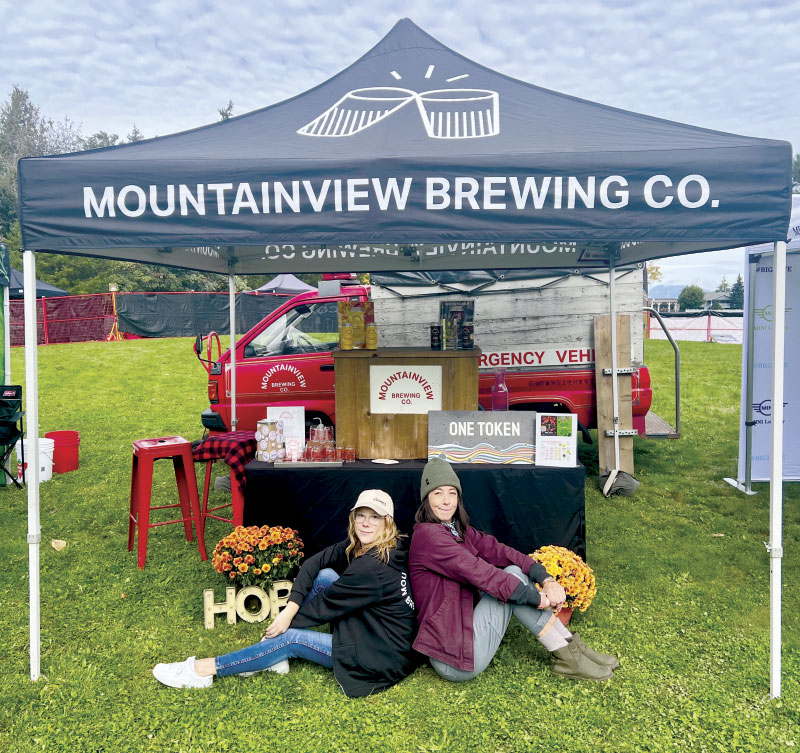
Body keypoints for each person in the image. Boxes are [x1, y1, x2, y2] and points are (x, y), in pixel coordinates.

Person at [153, 489, 419, 698]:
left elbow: (323, 607)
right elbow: (314, 562)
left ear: (387, 523)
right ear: (353, 517)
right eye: (361, 515)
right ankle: (270, 654)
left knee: (289, 639)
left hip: (379, 657)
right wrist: (290, 608)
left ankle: (203, 670)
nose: (365, 523)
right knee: (326, 576)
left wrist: (280, 629)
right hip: (384, 635)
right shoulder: (379, 546)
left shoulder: (371, 567)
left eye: (375, 517)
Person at [409, 457, 618, 682]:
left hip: (463, 631)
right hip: (451, 657)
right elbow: (482, 573)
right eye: (437, 493)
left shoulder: (456, 530)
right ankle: (568, 655)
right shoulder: (429, 536)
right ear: (426, 499)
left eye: (452, 492)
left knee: (514, 571)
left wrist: (545, 578)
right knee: (507, 583)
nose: (446, 501)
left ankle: (572, 649)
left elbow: (501, 551)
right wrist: (537, 599)